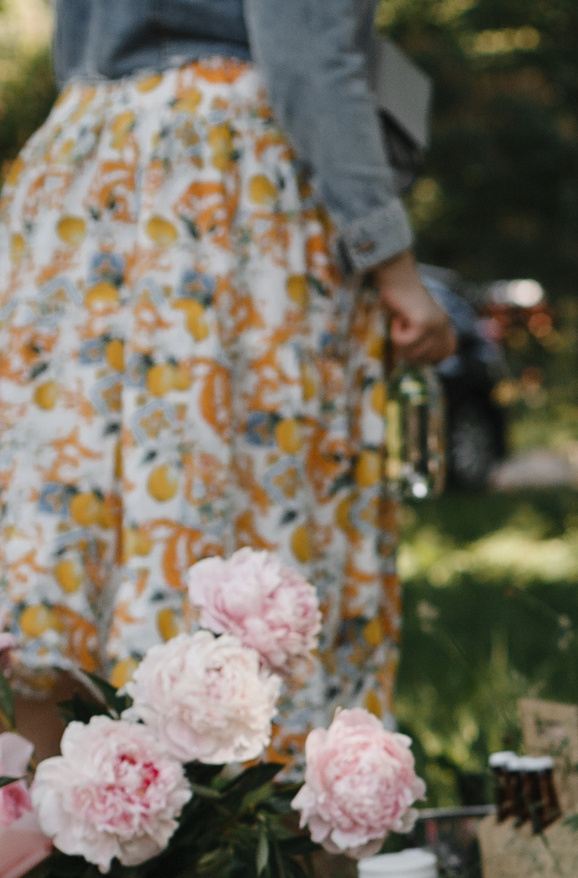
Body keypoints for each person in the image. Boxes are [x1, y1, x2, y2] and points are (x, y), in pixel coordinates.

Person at [0, 0, 452, 758]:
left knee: (80, 523)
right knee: (256, 515)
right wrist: (393, 263)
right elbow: (306, 52)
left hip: (86, 169)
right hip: (222, 183)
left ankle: (46, 853)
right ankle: (262, 856)